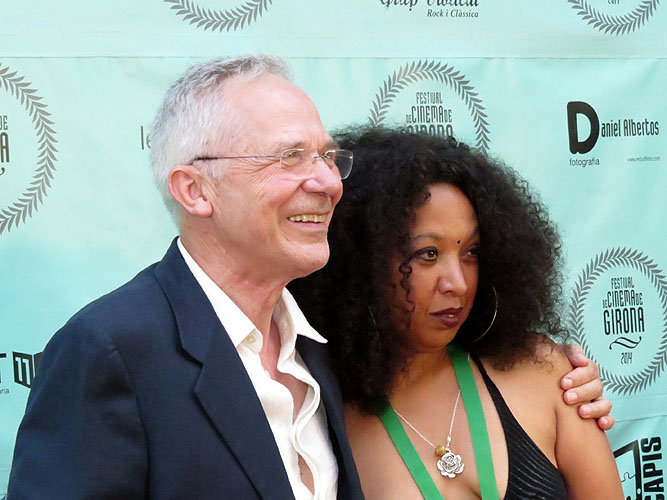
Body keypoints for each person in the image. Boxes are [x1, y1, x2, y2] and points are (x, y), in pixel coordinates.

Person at [7, 56, 609, 500]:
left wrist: (567, 386)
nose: (326, 182)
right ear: (196, 190)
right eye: (289, 156)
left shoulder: (322, 355)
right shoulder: (110, 350)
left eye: (326, 156)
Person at [290, 126, 623, 499]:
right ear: (364, 262)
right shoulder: (318, 418)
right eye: (428, 254)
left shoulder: (545, 373)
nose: (458, 283)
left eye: (471, 253)